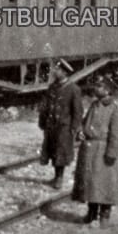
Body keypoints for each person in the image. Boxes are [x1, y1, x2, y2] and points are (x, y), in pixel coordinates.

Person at [73, 78, 118, 227]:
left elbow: (116, 136)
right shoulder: (94, 105)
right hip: (89, 151)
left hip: (103, 153)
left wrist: (111, 154)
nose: (96, 89)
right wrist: (80, 132)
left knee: (105, 184)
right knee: (90, 184)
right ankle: (91, 214)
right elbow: (84, 123)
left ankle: (104, 216)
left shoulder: (115, 111)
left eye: (100, 86)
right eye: (97, 86)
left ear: (108, 91)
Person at [38, 59, 83, 189]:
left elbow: (78, 111)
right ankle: (56, 176)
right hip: (51, 126)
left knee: (61, 153)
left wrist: (75, 128)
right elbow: (45, 106)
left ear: (64, 72)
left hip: (64, 127)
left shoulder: (74, 89)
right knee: (52, 151)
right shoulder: (52, 87)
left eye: (57, 70)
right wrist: (42, 121)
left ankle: (59, 178)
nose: (54, 72)